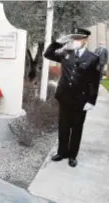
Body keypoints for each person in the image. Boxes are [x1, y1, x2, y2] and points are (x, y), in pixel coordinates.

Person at [44, 28, 100, 167]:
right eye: (74, 38)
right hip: (64, 97)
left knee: (76, 128)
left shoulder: (93, 58)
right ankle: (62, 152)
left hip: (80, 99)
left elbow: (94, 81)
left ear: (86, 40)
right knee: (63, 126)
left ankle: (72, 155)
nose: (76, 41)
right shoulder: (66, 53)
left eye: (79, 38)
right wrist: (58, 43)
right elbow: (48, 54)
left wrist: (91, 101)